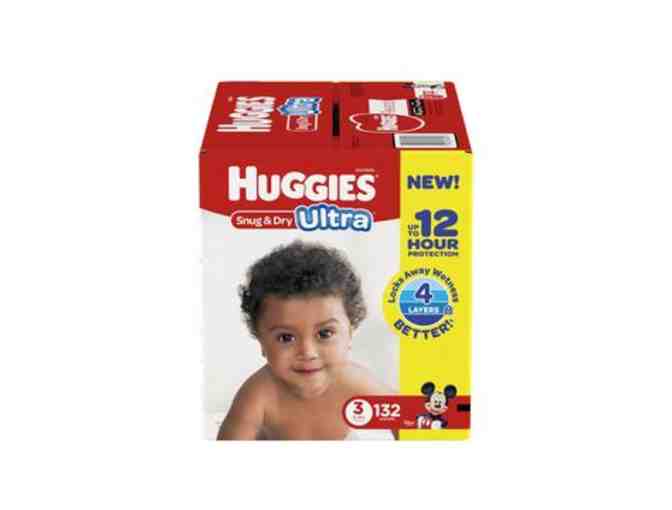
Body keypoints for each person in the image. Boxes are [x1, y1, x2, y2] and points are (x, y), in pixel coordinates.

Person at [217, 240, 395, 440]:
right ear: (261, 341)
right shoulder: (259, 395)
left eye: (325, 334)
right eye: (286, 338)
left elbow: (411, 420)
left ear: (350, 333)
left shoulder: (355, 382)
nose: (307, 352)